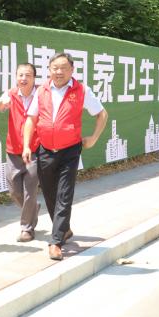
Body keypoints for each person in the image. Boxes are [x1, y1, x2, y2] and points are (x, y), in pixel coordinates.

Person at [23, 52, 108, 260]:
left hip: (70, 150)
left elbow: (101, 114)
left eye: (63, 68)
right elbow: (31, 119)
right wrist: (26, 145)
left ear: (72, 70)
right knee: (50, 194)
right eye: (55, 68)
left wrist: (94, 138)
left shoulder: (81, 90)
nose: (59, 72)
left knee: (64, 195)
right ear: (49, 70)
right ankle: (64, 229)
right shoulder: (41, 90)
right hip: (45, 149)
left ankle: (55, 242)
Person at [0, 63, 40, 242]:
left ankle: (26, 229)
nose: (23, 78)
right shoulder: (11, 93)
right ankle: (33, 209)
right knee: (14, 192)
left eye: (28, 75)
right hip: (13, 150)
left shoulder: (41, 94)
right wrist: (2, 103)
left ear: (34, 78)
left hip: (35, 149)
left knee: (30, 191)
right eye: (20, 75)